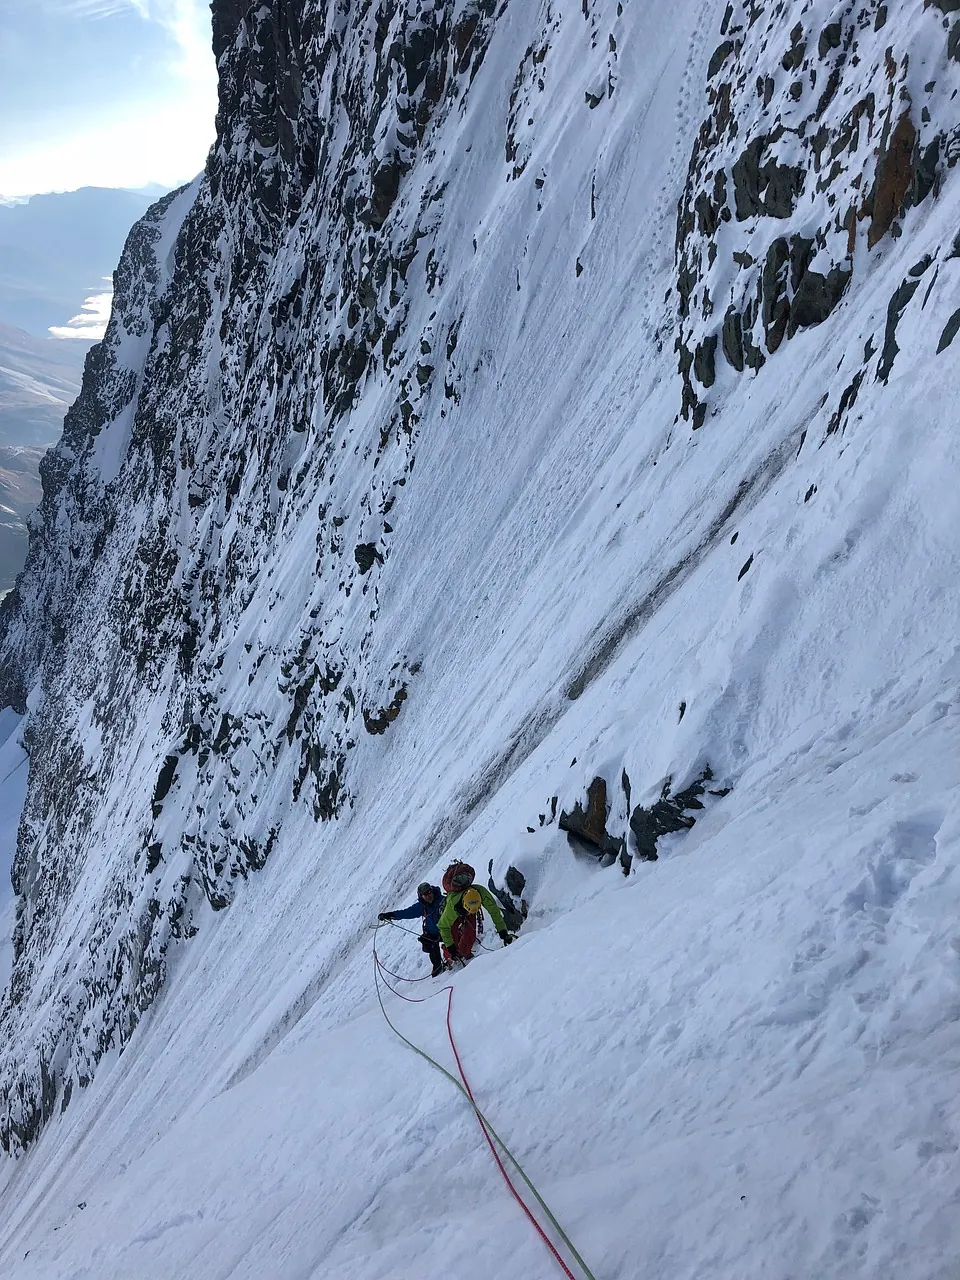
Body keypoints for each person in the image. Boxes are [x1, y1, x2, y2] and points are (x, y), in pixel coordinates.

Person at [438, 878, 516, 966]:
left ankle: (465, 953)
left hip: (470, 908)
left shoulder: (482, 893)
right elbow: (443, 926)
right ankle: (449, 955)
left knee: (470, 935)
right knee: (452, 936)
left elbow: (494, 912)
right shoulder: (453, 905)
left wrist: (503, 932)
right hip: (457, 910)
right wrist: (451, 948)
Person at [378, 883, 446, 976]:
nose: (428, 895)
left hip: (448, 930)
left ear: (432, 891)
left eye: (429, 892)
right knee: (429, 942)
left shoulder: (443, 901)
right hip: (434, 934)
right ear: (421, 896)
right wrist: (390, 915)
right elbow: (406, 913)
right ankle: (437, 967)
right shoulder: (421, 907)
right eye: (425, 894)